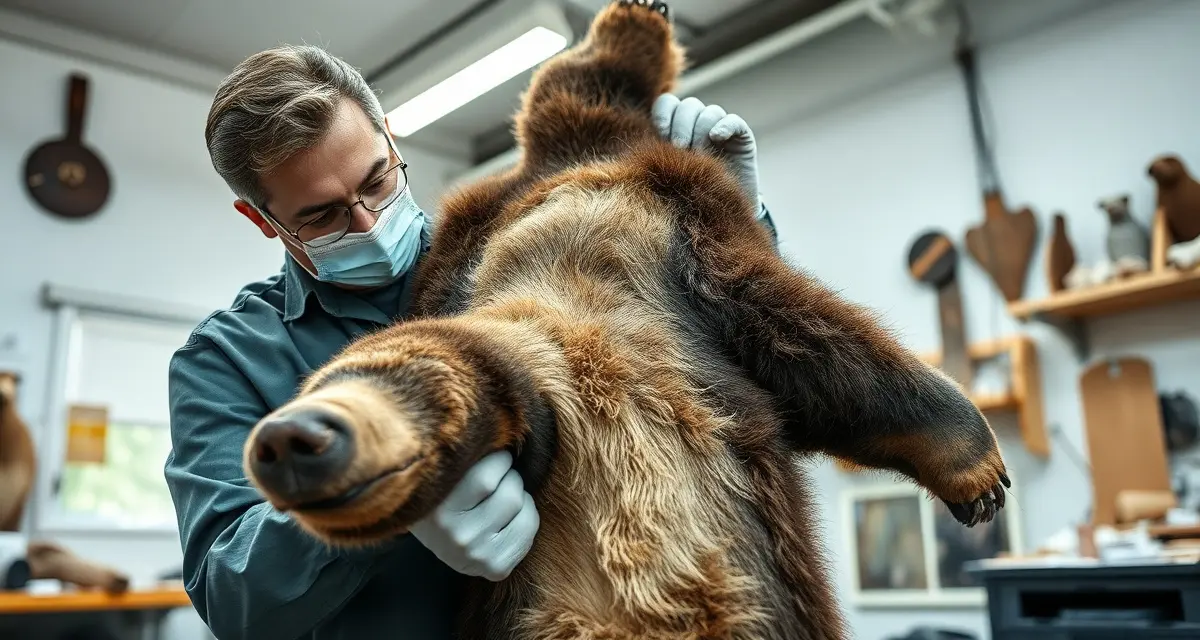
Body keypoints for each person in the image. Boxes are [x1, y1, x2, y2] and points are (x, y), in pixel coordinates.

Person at [164, 44, 779, 640]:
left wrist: (731, 226)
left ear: (390, 139)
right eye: (321, 216)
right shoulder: (226, 359)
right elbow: (231, 596)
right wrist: (382, 501)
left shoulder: (522, 247)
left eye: (377, 182)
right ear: (260, 219)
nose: (369, 224)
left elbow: (735, 389)